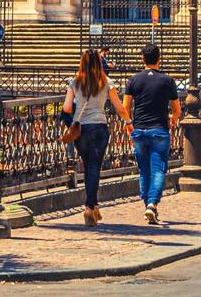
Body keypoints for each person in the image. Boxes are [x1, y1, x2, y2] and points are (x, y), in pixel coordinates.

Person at [62, 49, 131, 226]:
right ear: (99, 63)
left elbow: (67, 108)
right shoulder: (106, 82)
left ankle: (93, 206)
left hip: (80, 130)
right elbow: (119, 107)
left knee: (88, 166)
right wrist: (128, 122)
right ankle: (89, 207)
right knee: (94, 167)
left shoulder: (75, 82)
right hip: (99, 128)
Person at [121, 43, 181, 225]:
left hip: (138, 130)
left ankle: (148, 204)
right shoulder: (167, 81)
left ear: (142, 59)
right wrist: (173, 119)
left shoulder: (133, 80)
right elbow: (176, 109)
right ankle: (153, 204)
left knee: (143, 170)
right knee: (158, 169)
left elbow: (125, 108)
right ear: (159, 59)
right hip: (159, 131)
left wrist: (129, 124)